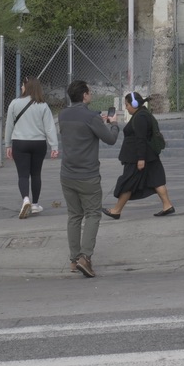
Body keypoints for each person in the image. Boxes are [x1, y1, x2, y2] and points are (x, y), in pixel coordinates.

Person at [56, 80, 119, 277]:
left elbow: (76, 132)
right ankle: (86, 257)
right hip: (87, 175)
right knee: (93, 214)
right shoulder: (92, 117)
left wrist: (97, 121)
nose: (91, 94)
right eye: (89, 92)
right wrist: (113, 124)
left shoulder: (63, 115)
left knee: (74, 215)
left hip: (67, 174)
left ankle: (74, 260)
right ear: (84, 95)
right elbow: (110, 139)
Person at [103, 91, 174, 220]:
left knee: (128, 182)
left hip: (137, 157)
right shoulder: (143, 114)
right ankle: (167, 205)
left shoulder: (140, 117)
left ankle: (116, 210)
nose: (126, 108)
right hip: (149, 155)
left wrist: (141, 159)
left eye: (127, 105)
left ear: (134, 104)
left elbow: (140, 139)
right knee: (156, 180)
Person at [3, 78, 58, 220]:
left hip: (20, 142)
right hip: (39, 143)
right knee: (36, 174)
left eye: (22, 85)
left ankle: (25, 199)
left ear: (26, 87)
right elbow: (50, 127)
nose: (21, 87)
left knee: (23, 175)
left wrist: (7, 144)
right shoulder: (43, 105)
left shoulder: (14, 103)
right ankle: (35, 204)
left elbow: (9, 125)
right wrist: (54, 146)